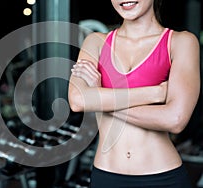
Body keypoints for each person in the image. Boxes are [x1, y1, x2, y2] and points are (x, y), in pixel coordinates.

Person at [68, 0, 200, 187]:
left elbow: (175, 119)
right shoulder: (95, 42)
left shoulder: (180, 42)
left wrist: (99, 98)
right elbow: (77, 101)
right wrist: (154, 93)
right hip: (106, 176)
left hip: (163, 177)